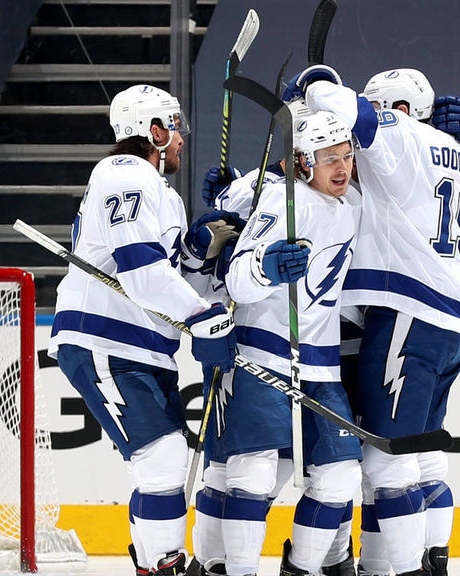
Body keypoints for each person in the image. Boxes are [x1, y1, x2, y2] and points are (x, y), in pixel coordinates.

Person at [48, 84, 238, 576]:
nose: (180, 139)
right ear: (153, 131)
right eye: (174, 127)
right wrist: (201, 317)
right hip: (105, 339)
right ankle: (162, 566)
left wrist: (198, 255)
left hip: (144, 346)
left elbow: (166, 276)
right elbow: (140, 271)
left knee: (164, 465)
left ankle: (155, 563)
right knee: (163, 461)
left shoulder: (162, 195)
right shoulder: (123, 173)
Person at [300, 66, 460, 576]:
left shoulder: (401, 134)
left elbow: (345, 107)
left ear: (401, 111)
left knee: (386, 460)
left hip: (410, 312)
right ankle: (416, 562)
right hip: (445, 318)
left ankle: (406, 569)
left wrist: (313, 86)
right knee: (417, 450)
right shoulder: (450, 149)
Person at [188, 99, 358, 576]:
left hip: (319, 362)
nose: (342, 166)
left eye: (346, 155)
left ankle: (299, 569)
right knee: (253, 470)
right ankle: (230, 568)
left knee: (341, 471)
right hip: (263, 351)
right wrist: (265, 266)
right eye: (329, 158)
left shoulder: (351, 204)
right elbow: (240, 276)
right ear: (304, 162)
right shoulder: (288, 202)